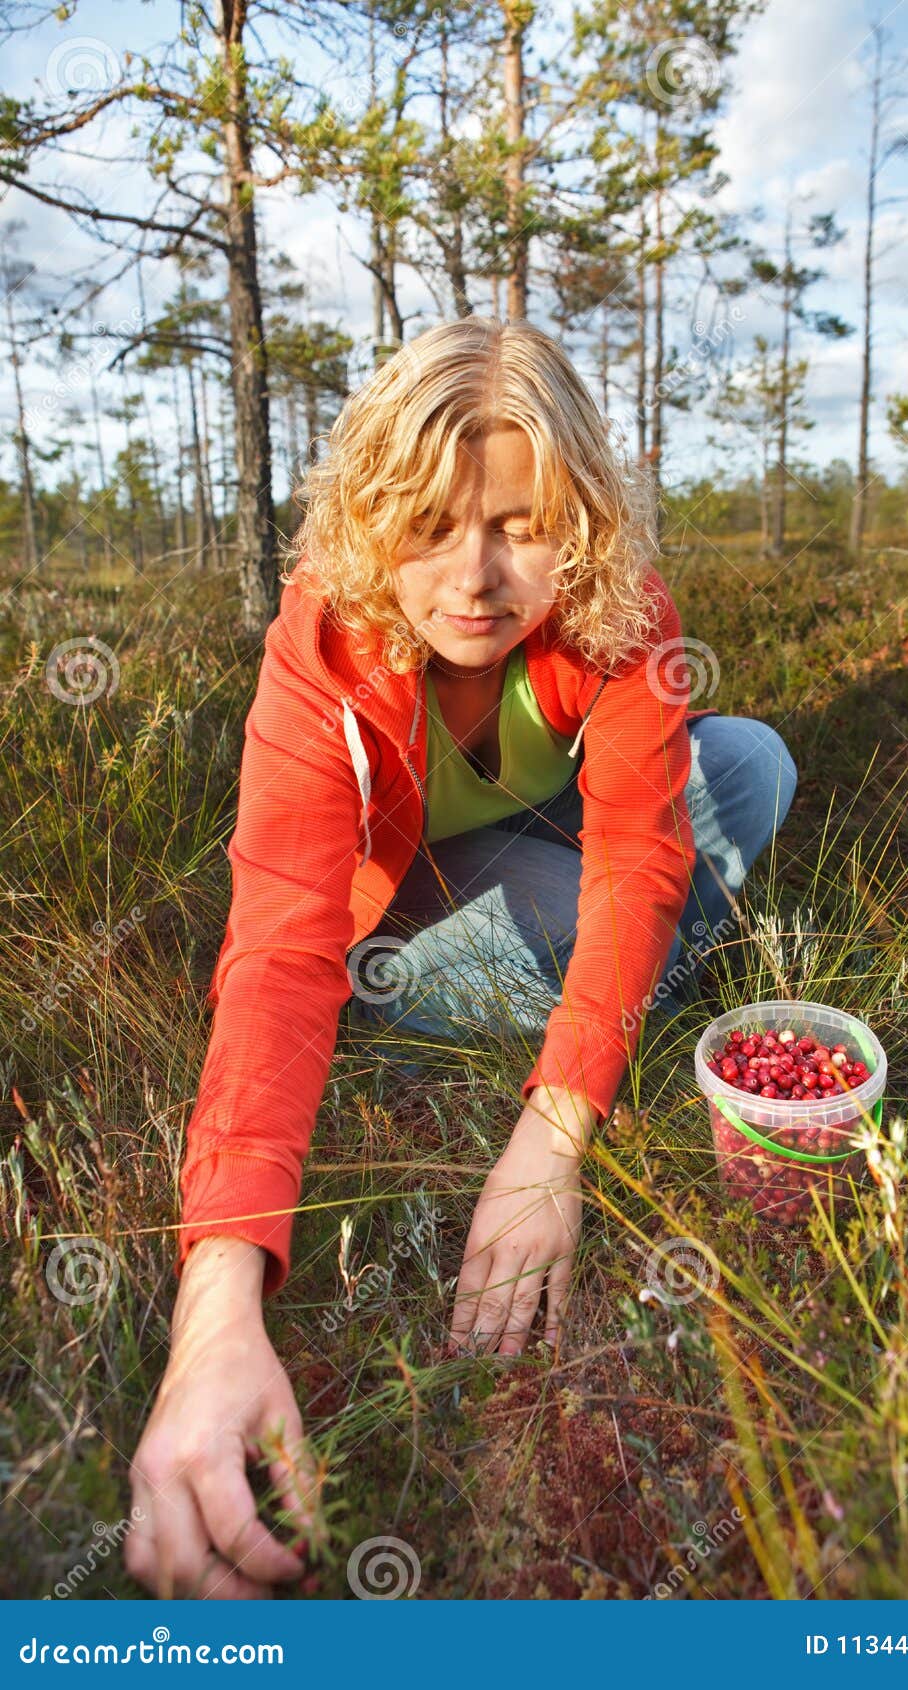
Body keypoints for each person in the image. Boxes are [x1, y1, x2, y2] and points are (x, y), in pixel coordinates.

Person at [124, 316, 797, 1599]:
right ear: (374, 520)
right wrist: (220, 1305)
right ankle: (564, 991)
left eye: (519, 523)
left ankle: (600, 989)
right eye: (428, 525)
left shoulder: (620, 611)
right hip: (409, 907)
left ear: (581, 521)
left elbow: (643, 850)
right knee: (571, 918)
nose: (475, 577)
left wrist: (551, 1137)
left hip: (556, 843)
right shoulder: (320, 643)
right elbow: (276, 947)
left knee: (752, 762)